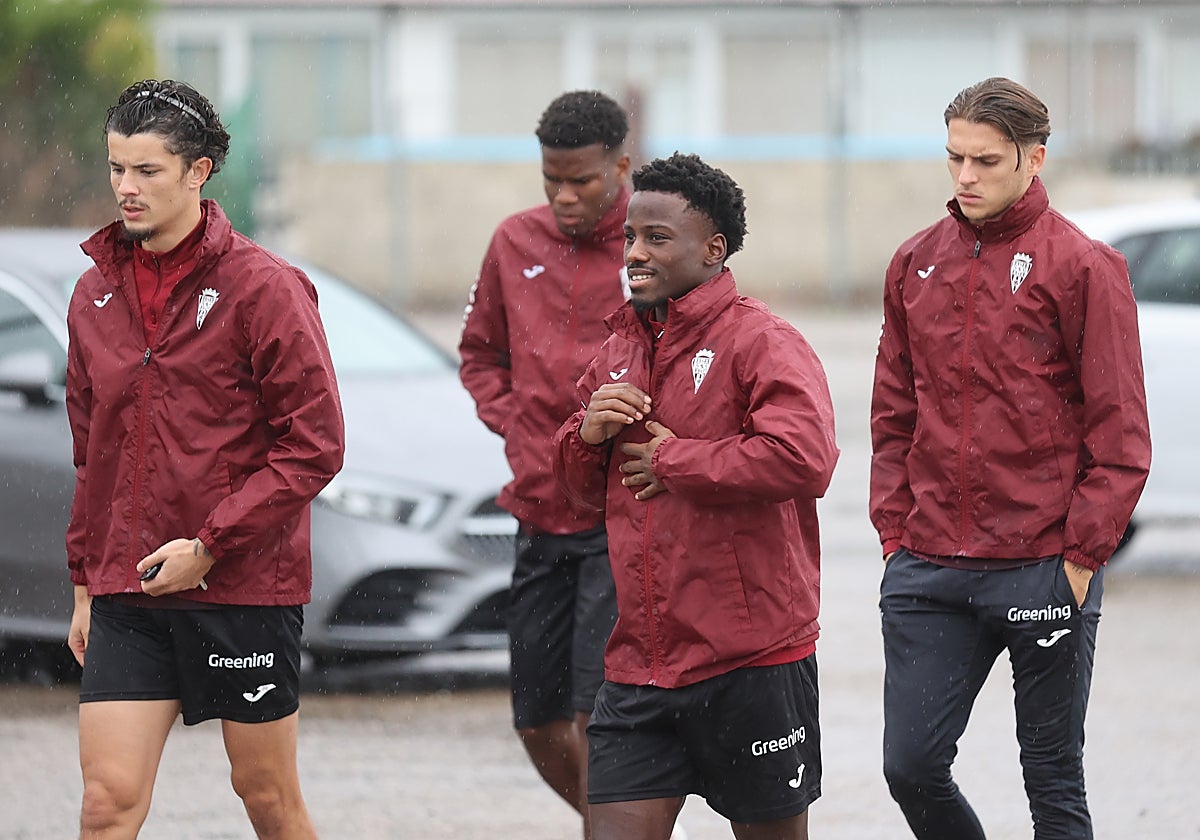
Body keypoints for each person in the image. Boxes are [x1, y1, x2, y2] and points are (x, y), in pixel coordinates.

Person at [871, 77, 1151, 840]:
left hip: (1043, 561)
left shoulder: (1085, 266)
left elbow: (1120, 433)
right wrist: (895, 534)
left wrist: (1081, 557)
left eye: (986, 161)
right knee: (910, 767)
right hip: (929, 565)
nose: (965, 177)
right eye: (955, 157)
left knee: (1052, 772)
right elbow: (893, 414)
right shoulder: (913, 263)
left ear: (1034, 159)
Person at [65, 79, 345, 839]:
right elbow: (92, 452)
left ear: (198, 172)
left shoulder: (266, 288)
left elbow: (314, 447)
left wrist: (210, 545)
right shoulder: (91, 294)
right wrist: (88, 580)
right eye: (117, 167)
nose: (126, 187)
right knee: (106, 802)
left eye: (147, 170)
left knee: (266, 797)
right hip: (130, 589)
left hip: (241, 587)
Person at [553, 152, 839, 840]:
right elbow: (578, 494)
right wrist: (585, 435)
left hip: (753, 664)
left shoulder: (763, 340)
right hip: (640, 668)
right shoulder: (616, 348)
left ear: (713, 249)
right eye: (630, 237)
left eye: (657, 238)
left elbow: (807, 460)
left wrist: (677, 461)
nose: (636, 254)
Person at [457, 90, 631, 833]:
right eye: (550, 179)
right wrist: (519, 428)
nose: (564, 196)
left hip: (618, 520)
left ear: (621, 167)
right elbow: (479, 355)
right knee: (537, 721)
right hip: (538, 513)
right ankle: (634, 827)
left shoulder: (653, 242)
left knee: (600, 721)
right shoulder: (512, 243)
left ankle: (626, 826)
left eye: (581, 181)